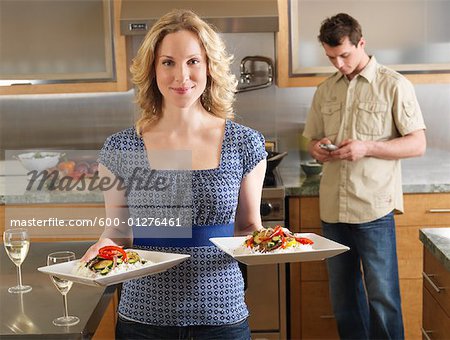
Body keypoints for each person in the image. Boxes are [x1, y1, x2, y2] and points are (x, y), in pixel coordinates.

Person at [81, 9, 266, 340]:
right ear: (153, 70)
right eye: (168, 62)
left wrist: (272, 242)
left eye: (193, 61)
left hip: (221, 314)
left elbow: (248, 227)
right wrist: (102, 247)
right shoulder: (121, 147)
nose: (182, 75)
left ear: (209, 66)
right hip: (143, 318)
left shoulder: (244, 142)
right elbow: (118, 234)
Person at [303, 13, 426, 340]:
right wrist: (318, 149)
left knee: (383, 299)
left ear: (361, 43)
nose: (339, 64)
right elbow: (312, 139)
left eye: (344, 55)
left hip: (373, 208)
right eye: (331, 58)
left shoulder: (394, 84)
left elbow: (417, 143)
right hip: (332, 209)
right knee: (344, 301)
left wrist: (367, 147)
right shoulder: (325, 90)